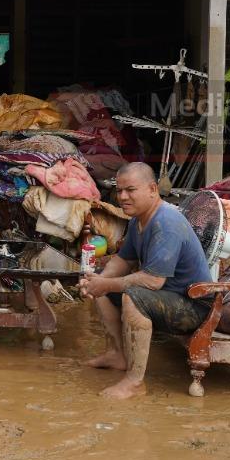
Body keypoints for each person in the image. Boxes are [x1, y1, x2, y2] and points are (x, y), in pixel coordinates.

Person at [79, 162, 212, 399]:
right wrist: (97, 281)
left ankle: (135, 381)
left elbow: (153, 281)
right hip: (166, 298)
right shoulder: (138, 220)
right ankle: (117, 354)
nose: (122, 197)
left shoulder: (166, 222)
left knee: (134, 296)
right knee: (103, 290)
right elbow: (122, 259)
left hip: (192, 306)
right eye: (119, 191)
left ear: (152, 189)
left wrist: (106, 284)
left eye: (130, 190)